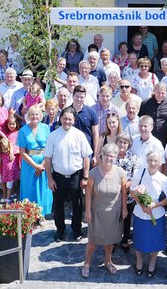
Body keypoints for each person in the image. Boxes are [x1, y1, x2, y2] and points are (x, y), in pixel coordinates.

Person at [81, 143, 128, 278]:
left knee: (110, 240)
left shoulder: (120, 172)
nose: (109, 158)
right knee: (93, 240)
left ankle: (108, 261)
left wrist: (124, 208)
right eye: (107, 155)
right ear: (102, 156)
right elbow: (88, 193)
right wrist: (88, 211)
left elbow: (124, 192)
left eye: (112, 156)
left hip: (114, 212)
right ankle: (87, 263)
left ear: (116, 158)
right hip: (97, 212)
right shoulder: (93, 173)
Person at [46, 108, 93, 242]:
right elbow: (48, 159)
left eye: (70, 119)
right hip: (58, 177)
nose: (67, 121)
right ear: (60, 119)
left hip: (75, 176)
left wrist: (85, 177)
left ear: (74, 120)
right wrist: (50, 179)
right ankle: (60, 230)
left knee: (77, 205)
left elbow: (86, 158)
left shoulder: (79, 135)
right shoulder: (53, 136)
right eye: (65, 118)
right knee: (58, 206)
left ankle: (76, 230)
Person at [130, 150, 167, 276]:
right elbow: (132, 192)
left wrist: (154, 205)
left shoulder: (164, 179)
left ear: (160, 163)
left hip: (156, 213)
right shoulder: (138, 173)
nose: (152, 163)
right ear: (147, 161)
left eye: (155, 161)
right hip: (140, 212)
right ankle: (139, 260)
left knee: (155, 239)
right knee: (139, 237)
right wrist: (142, 205)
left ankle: (153, 261)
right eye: (150, 160)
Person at [17, 105, 53, 217]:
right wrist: (35, 166)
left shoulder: (46, 128)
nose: (34, 116)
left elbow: (49, 147)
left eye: (37, 114)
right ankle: (29, 215)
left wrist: (42, 165)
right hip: (29, 164)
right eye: (32, 114)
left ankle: (42, 214)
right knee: (29, 188)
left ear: (40, 115)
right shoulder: (22, 131)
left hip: (44, 161)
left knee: (44, 188)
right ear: (28, 115)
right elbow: (22, 152)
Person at [0, 132, 19, 203]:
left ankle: (8, 198)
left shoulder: (13, 153)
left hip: (11, 173)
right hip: (5, 172)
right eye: (4, 149)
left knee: (9, 185)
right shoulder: (2, 155)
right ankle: (5, 195)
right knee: (4, 184)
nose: (6, 151)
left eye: (7, 149)